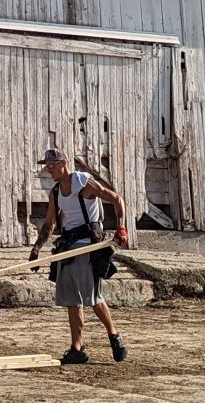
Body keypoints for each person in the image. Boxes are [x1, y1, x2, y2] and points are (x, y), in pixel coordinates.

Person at [28, 147, 128, 366]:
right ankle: (77, 348)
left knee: (93, 297)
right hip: (68, 248)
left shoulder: (82, 183)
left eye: (52, 166)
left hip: (87, 246)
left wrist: (121, 228)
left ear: (63, 164)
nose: (49, 170)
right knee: (72, 300)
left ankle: (114, 335)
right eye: (47, 167)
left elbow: (116, 199)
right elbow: (49, 224)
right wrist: (36, 249)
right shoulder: (55, 193)